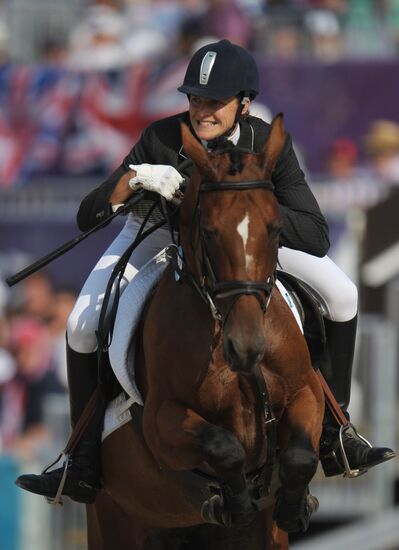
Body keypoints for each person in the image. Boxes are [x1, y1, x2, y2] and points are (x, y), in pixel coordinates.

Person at [16, 39, 395, 504]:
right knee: (80, 326)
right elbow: (88, 213)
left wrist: (253, 209)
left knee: (343, 294)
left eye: (215, 102)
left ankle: (337, 434)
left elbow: (315, 234)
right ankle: (80, 460)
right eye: (195, 99)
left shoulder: (266, 142)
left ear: (244, 103)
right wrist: (135, 180)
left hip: (247, 242)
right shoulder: (161, 137)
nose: (202, 111)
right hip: (159, 238)